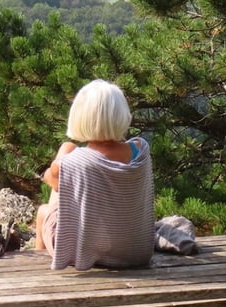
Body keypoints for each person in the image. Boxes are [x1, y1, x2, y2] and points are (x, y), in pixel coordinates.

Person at [35, 79, 154, 271]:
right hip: (135, 253)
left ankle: (43, 271)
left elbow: (51, 179)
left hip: (84, 252)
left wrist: (62, 160)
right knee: (69, 153)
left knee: (43, 213)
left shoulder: (73, 161)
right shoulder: (141, 151)